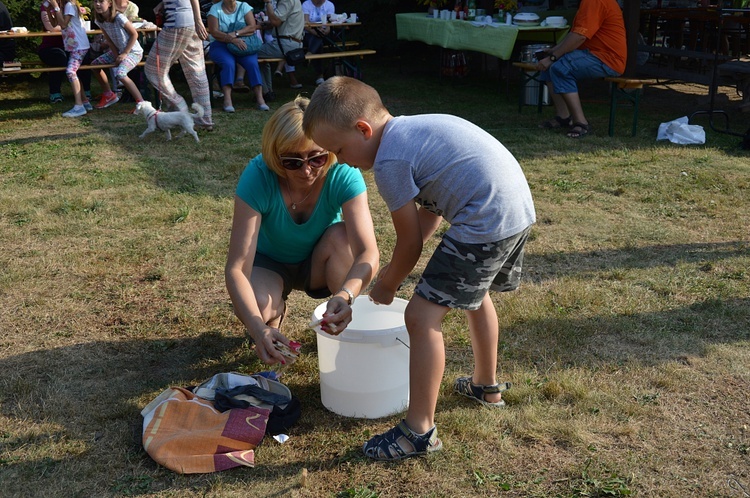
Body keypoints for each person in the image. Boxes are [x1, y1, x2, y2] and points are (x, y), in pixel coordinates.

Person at [302, 76, 536, 461]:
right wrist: (398, 269)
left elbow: (409, 243)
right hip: (514, 207)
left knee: (421, 315)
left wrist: (388, 284)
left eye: (339, 150)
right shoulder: (410, 131)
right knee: (476, 297)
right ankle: (485, 386)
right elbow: (430, 210)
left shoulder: (390, 162)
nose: (340, 160)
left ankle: (419, 431)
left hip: (485, 218)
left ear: (363, 129)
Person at [225, 96, 379, 366]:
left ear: (329, 152)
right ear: (275, 155)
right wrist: (256, 328)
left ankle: (343, 319)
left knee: (344, 238)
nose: (307, 170)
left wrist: (346, 295)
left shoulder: (342, 172)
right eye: (293, 162)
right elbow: (236, 268)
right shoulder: (258, 175)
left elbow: (368, 252)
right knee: (256, 307)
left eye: (317, 158)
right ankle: (273, 317)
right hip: (270, 263)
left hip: (321, 260)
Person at [535, 0, 627, 139]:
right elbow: (575, 33)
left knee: (561, 67)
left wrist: (552, 58)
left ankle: (581, 122)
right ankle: (563, 117)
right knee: (549, 68)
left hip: (608, 59)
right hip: (593, 54)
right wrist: (554, 51)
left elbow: (580, 36)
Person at [145, 0, 214, 131]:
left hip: (177, 22)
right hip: (189, 22)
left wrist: (199, 21)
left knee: (153, 69)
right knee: (196, 72)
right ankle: (205, 120)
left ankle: (179, 109)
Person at [206, 0, 269, 111]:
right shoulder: (215, 9)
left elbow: (252, 27)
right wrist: (231, 39)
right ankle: (227, 100)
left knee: (252, 63)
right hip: (220, 44)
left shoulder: (244, 6)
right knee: (228, 63)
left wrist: (236, 34)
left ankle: (260, 99)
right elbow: (214, 32)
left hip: (242, 42)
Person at [90, 0, 145, 109]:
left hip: (134, 52)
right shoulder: (99, 20)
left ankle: (141, 103)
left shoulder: (119, 17)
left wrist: (124, 53)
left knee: (120, 74)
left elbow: (134, 34)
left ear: (110, 3)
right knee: (94, 65)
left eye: (101, 1)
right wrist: (116, 55)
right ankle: (108, 94)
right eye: (95, 1)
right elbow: (109, 41)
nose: (97, 4)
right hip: (119, 51)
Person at [38, 0, 93, 104]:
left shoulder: (70, 5)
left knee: (71, 71)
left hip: (79, 45)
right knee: (73, 71)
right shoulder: (64, 6)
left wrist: (55, 7)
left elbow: (63, 25)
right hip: (73, 46)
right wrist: (50, 11)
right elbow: (54, 24)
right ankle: (84, 102)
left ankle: (79, 104)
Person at [256, 0, 304, 101]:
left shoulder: (286, 0)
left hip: (285, 44)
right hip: (294, 43)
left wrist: (268, 3)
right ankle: (268, 91)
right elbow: (280, 21)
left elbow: (275, 21)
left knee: (251, 53)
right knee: (261, 57)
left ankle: (266, 92)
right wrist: (266, 24)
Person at [301, 0, 335, 85]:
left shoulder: (329, 5)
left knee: (319, 39)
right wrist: (316, 32)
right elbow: (306, 23)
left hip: (324, 33)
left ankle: (309, 55)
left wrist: (325, 31)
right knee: (318, 41)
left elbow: (329, 24)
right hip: (310, 33)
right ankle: (320, 76)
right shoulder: (306, 4)